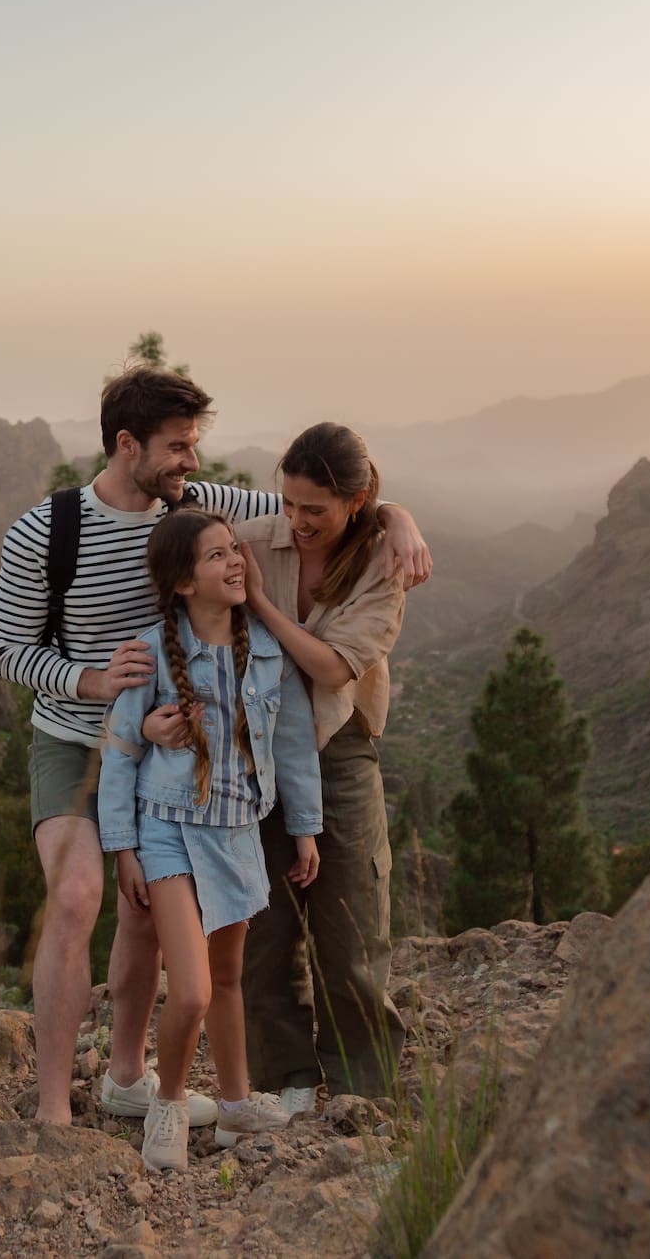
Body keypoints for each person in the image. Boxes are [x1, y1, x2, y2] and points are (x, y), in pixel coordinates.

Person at [0, 367, 433, 1125]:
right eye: (179, 446)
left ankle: (127, 1077)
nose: (193, 461)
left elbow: (322, 510)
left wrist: (399, 518)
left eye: (195, 445)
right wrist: (91, 681)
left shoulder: (200, 507)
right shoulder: (44, 532)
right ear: (129, 446)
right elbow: (2, 649)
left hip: (174, 758)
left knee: (144, 917)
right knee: (76, 895)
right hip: (77, 738)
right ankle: (54, 1106)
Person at [96, 509, 324, 1171]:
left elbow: (294, 746)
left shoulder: (269, 652)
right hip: (166, 830)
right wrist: (124, 848)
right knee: (190, 989)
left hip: (239, 832)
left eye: (235, 551)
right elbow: (118, 753)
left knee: (229, 978)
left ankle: (233, 1105)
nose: (236, 564)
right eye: (217, 556)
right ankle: (167, 1103)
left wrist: (305, 829)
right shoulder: (150, 655)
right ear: (181, 582)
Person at [235, 422, 409, 1108]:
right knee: (262, 927)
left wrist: (260, 605)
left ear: (358, 500)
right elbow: (178, 520)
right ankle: (282, 1081)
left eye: (317, 509)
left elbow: (334, 668)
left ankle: (361, 1087)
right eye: (290, 504)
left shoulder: (381, 566)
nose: (299, 522)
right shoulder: (254, 536)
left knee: (352, 923)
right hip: (254, 748)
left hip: (338, 748)